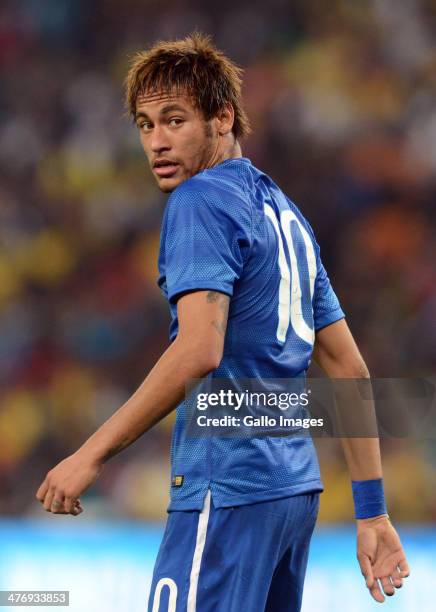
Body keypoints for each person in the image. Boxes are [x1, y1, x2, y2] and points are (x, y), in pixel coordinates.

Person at [36, 33, 409, 611]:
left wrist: (91, 453)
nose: (156, 142)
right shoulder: (284, 212)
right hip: (292, 492)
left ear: (222, 118)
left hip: (227, 488)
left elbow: (199, 351)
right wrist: (372, 509)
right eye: (145, 124)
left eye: (175, 120)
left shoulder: (200, 201)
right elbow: (347, 365)